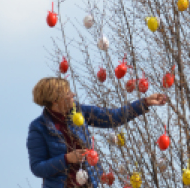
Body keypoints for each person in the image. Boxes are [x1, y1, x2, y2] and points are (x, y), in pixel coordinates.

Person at [27, 77, 167, 188]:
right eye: (68, 93)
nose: (73, 94)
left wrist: (145, 102)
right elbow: (37, 168)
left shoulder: (79, 111)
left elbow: (113, 117)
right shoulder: (39, 127)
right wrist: (67, 159)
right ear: (55, 100)